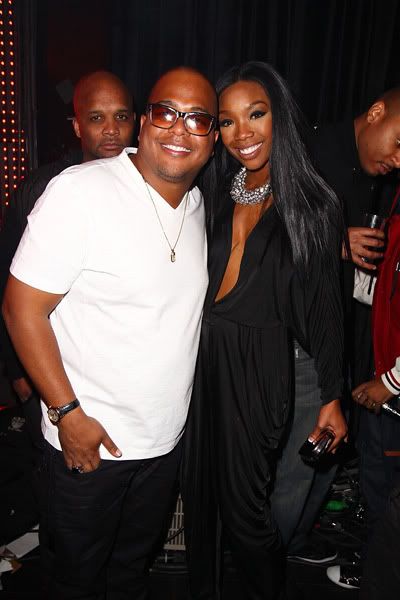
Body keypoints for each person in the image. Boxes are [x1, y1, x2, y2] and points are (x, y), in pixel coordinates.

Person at [2, 66, 218, 599]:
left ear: (213, 139)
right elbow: (21, 309)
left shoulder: (197, 204)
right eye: (167, 113)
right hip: (89, 444)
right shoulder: (81, 191)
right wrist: (67, 414)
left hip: (162, 447)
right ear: (145, 123)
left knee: (129, 574)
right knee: (76, 581)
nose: (180, 129)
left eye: (198, 119)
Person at [182, 61, 347, 600]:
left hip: (259, 368)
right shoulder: (212, 191)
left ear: (280, 116)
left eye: (256, 114)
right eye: (227, 121)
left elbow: (326, 310)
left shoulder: (313, 205)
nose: (242, 133)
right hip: (203, 362)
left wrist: (332, 397)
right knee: (200, 495)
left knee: (247, 511)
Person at [271, 87, 400, 567]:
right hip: (299, 341)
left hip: (337, 339)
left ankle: (294, 541)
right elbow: (260, 234)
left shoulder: (373, 175)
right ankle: (268, 561)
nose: (399, 160)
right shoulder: (309, 150)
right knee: (300, 464)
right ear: (376, 112)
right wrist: (333, 241)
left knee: (327, 457)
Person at [0, 70, 135, 454]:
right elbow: (6, 284)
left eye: (121, 117)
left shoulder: (150, 189)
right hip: (48, 370)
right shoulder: (42, 189)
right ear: (77, 126)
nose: (111, 130)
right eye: (96, 118)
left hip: (117, 380)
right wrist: (17, 371)